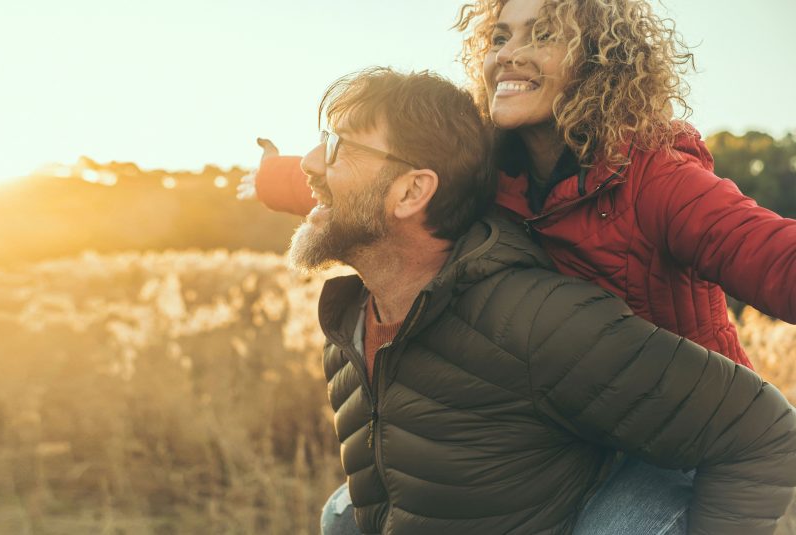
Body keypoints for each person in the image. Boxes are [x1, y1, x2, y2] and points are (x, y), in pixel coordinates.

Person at [292, 66, 796, 535]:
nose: (310, 163)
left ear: (411, 193)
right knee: (340, 514)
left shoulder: (538, 323)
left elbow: (761, 433)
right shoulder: (349, 325)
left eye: (338, 147)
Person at [239, 0, 796, 370]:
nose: (508, 53)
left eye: (544, 35)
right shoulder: (488, 168)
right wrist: (278, 179)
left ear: (600, 60)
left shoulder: (657, 178)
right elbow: (377, 188)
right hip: (570, 427)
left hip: (685, 438)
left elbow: (771, 257)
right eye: (500, 36)